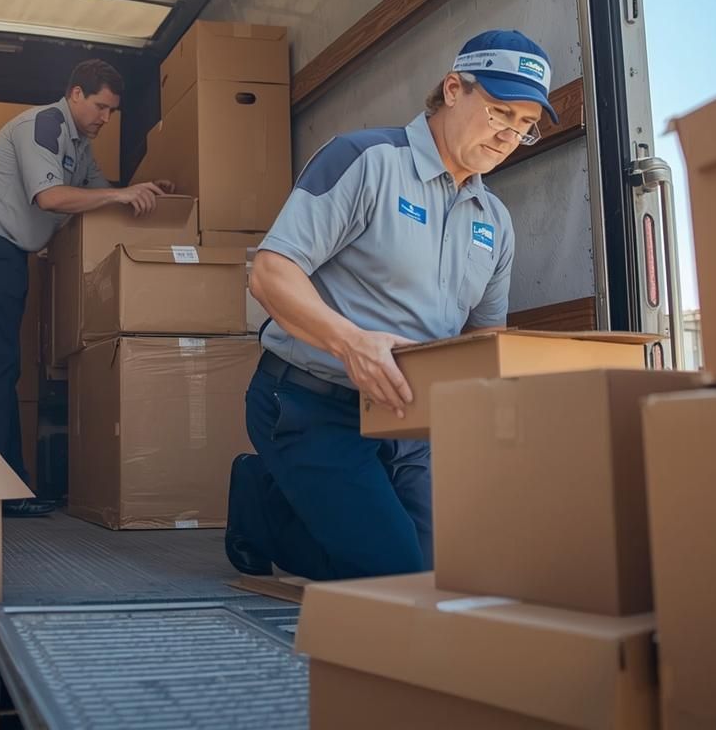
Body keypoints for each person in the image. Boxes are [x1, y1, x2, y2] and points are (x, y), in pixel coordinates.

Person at [226, 30, 558, 579]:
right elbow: (270, 272)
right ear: (454, 89)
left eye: (524, 126)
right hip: (311, 405)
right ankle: (260, 508)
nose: (508, 136)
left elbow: (483, 345)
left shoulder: (494, 222)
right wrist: (351, 343)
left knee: (452, 571)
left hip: (411, 425)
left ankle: (293, 501)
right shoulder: (365, 160)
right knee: (397, 575)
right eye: (501, 112)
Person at [0, 59, 173, 515]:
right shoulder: (44, 125)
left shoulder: (78, 144)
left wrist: (142, 191)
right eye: (99, 107)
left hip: (6, 253)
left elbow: (101, 192)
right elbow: (51, 198)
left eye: (112, 112)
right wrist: (119, 196)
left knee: (1, 367)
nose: (105, 119)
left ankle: (8, 485)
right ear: (74, 94)